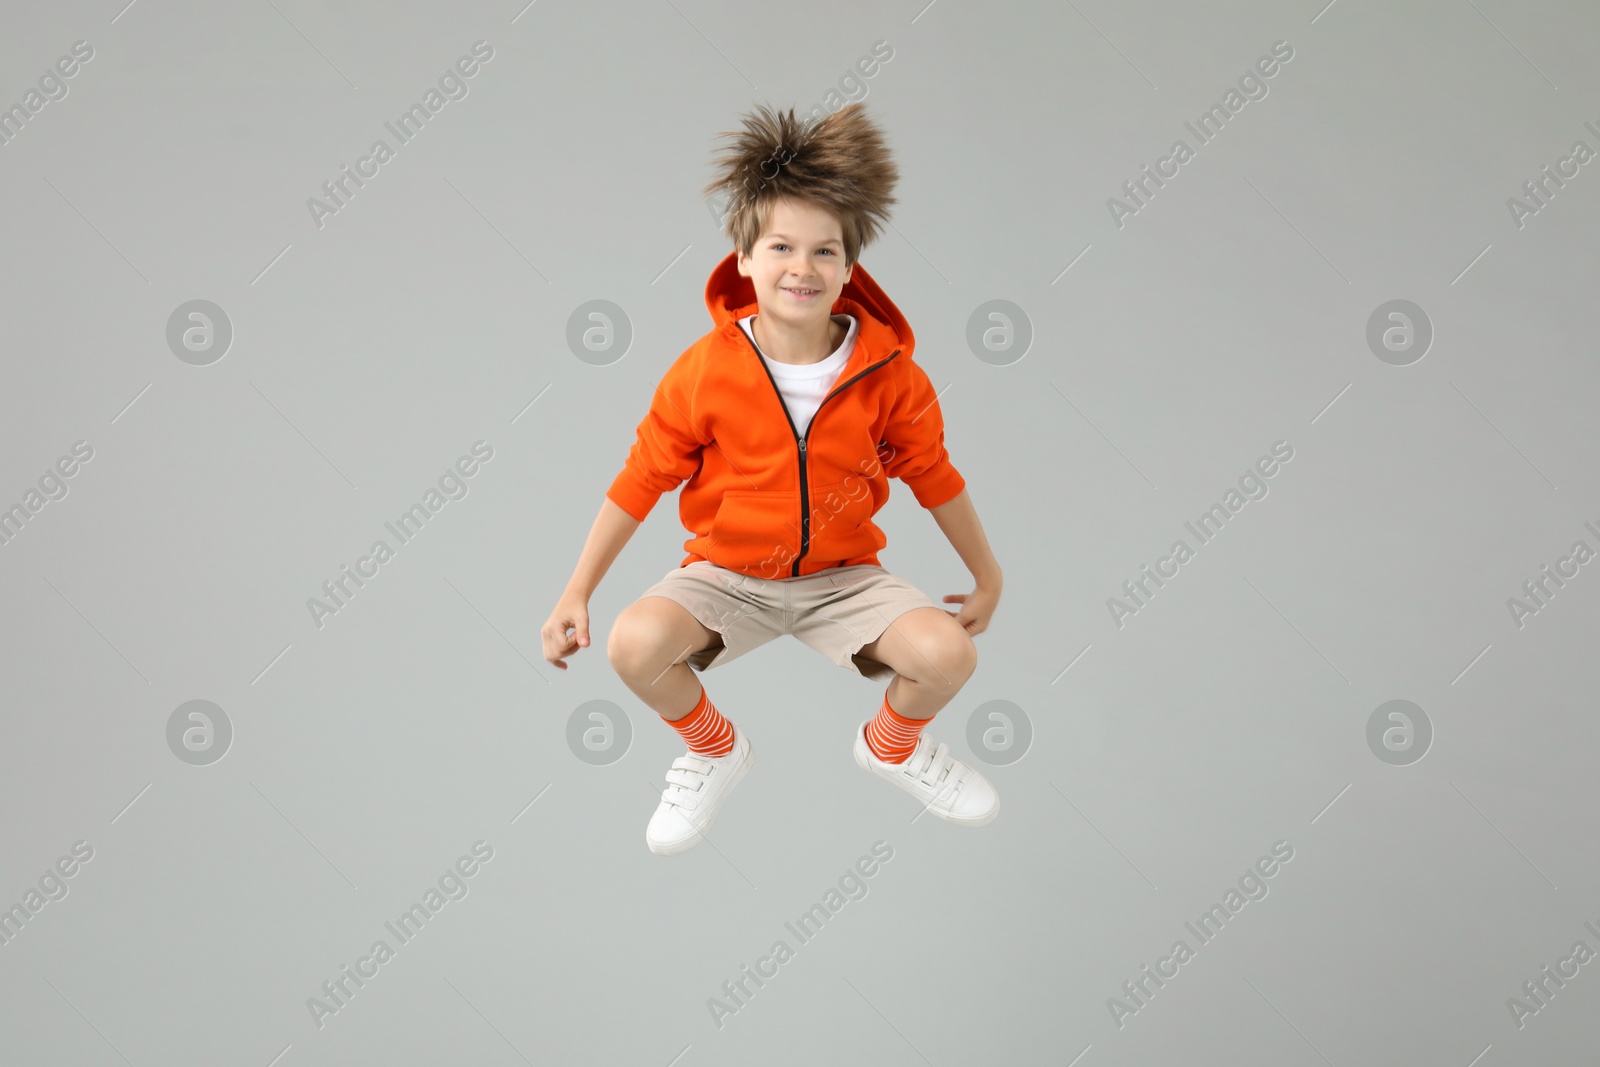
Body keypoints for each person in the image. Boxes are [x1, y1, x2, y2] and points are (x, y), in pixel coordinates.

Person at [540, 102, 1004, 855]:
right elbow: (642, 477)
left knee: (949, 654)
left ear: (851, 268)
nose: (803, 267)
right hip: (727, 575)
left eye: (826, 252)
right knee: (634, 644)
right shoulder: (703, 371)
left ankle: (892, 746)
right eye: (782, 246)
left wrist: (986, 574)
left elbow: (932, 472)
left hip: (845, 578)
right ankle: (715, 749)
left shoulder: (889, 373)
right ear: (744, 261)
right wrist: (576, 590)